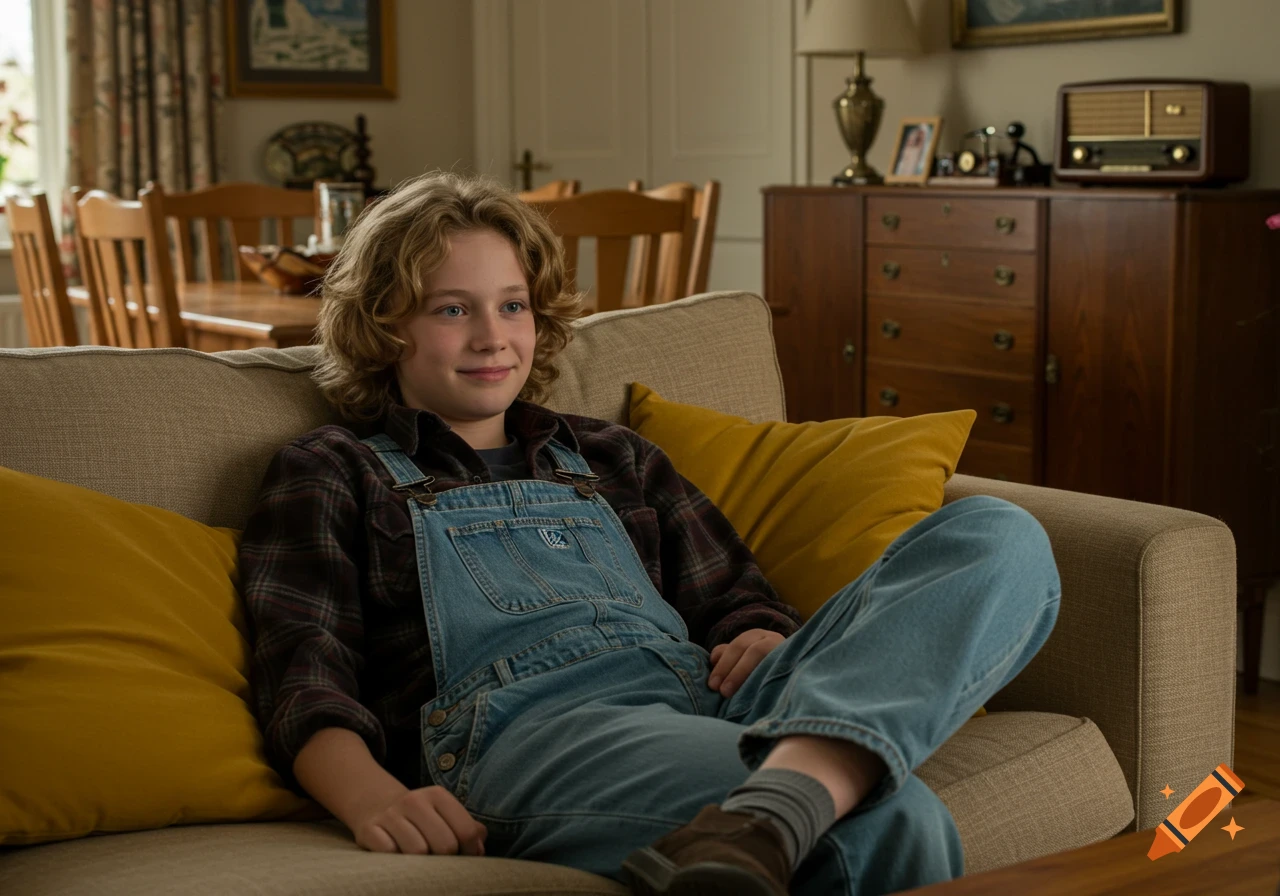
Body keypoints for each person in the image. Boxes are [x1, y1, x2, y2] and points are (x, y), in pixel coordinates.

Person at [240, 171, 1062, 896]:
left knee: (998, 532)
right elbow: (304, 673)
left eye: (513, 305)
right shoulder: (335, 468)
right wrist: (373, 798)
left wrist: (758, 633)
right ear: (386, 327)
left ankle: (776, 803)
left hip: (705, 698)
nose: (493, 336)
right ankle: (787, 802)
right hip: (532, 731)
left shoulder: (610, 454)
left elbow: (732, 590)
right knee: (893, 816)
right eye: (452, 310)